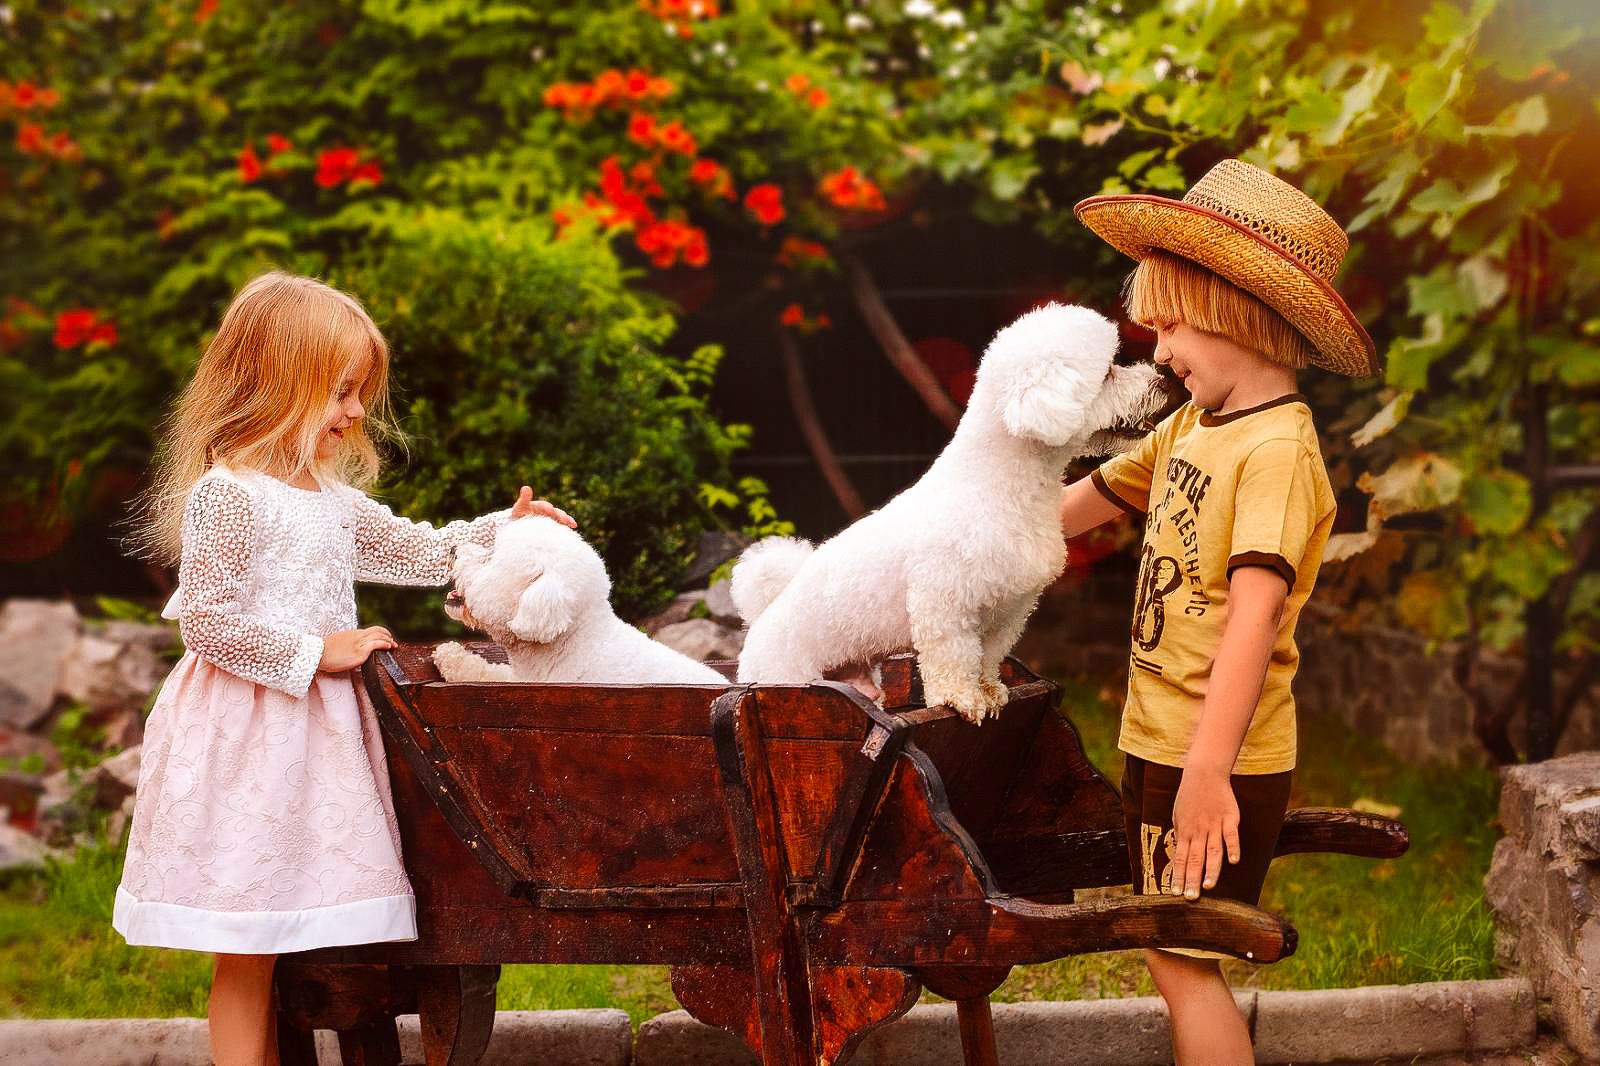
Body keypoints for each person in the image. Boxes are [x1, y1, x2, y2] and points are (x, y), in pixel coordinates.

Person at [114, 271, 573, 1066]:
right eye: (339, 391)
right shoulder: (229, 496)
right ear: (272, 386)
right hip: (249, 734)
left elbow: (424, 549)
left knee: (308, 921)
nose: (357, 412)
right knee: (248, 938)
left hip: (312, 736)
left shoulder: (327, 498)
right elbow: (206, 621)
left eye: (359, 391)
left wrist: (508, 527)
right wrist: (315, 652)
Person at [1058, 159, 1378, 1064]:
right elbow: (1076, 511)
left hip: (1213, 758)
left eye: (1170, 323)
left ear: (1235, 308)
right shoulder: (1193, 428)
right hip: (1158, 741)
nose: (1158, 350)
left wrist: (1208, 775)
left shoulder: (1276, 452)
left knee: (1183, 958)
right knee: (1169, 949)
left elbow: (1252, 622)